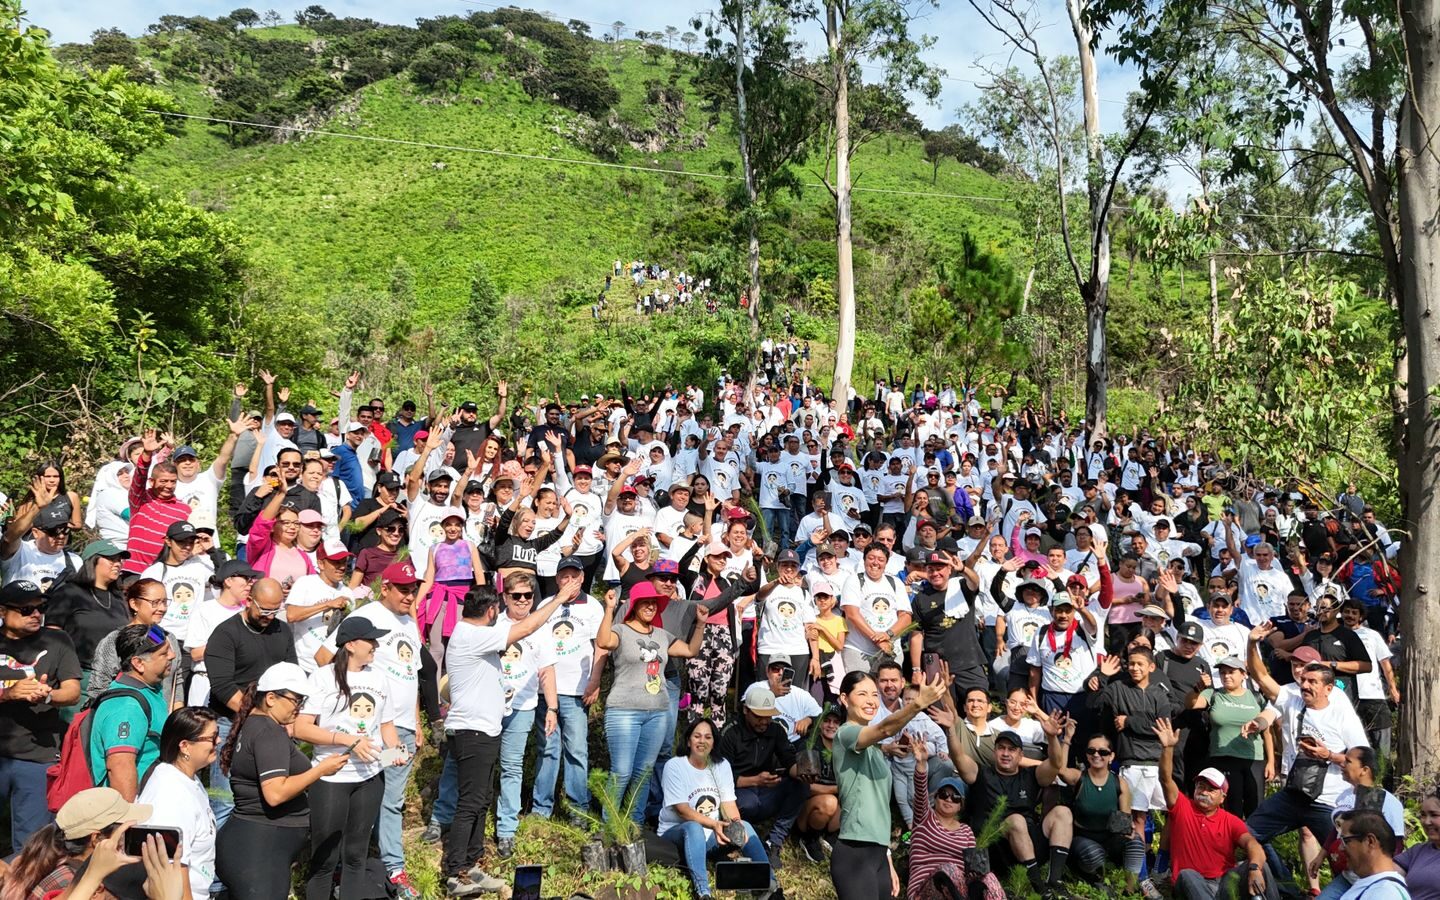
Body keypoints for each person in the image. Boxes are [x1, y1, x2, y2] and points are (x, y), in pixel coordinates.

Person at [441, 583, 566, 897]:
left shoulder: (472, 633)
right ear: (491, 611)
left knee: (482, 799)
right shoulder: (472, 634)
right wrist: (560, 599)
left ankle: (471, 865)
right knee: (470, 803)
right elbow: (528, 627)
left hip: (484, 730)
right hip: (472, 732)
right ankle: (454, 873)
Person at [317, 561, 425, 900]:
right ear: (385, 588)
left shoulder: (410, 622)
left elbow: (412, 673)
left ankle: (389, 869)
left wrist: (417, 721)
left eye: (413, 590)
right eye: (403, 590)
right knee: (357, 797)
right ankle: (353, 868)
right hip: (367, 730)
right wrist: (349, 706)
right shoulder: (366, 616)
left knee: (392, 799)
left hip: (399, 729)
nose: (409, 596)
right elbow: (324, 657)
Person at [292, 617, 406, 900]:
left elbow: (386, 726)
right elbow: (301, 728)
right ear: (351, 644)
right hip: (332, 777)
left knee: (356, 855)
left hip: (370, 777)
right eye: (371, 640)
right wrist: (346, 740)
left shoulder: (379, 677)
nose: (376, 645)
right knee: (325, 859)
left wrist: (396, 750)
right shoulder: (323, 677)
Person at [214, 662, 349, 900]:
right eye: (296, 700)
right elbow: (275, 794)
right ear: (271, 698)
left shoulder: (256, 724)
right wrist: (319, 770)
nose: (299, 708)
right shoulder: (268, 732)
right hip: (259, 849)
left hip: (256, 847)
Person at [1241, 663, 1369, 889]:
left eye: (1312, 682)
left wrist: (1328, 755)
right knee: (1246, 834)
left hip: (1327, 802)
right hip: (1293, 795)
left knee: (1346, 861)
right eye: (1303, 680)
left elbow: (1363, 760)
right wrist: (1252, 645)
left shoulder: (1340, 712)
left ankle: (1350, 892)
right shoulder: (1292, 700)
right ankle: (1285, 885)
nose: (1305, 685)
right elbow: (1261, 676)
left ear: (1328, 689)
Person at [828, 668, 946, 900]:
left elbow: (879, 805)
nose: (871, 700)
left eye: (874, 694)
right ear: (844, 699)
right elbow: (883, 729)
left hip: (878, 853)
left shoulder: (874, 749)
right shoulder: (846, 734)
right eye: (862, 694)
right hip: (855, 851)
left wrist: (887, 858)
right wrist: (917, 704)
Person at [595, 582, 706, 824]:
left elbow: (690, 650)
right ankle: (610, 826)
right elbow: (603, 641)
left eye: (654, 603)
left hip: (657, 712)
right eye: (645, 602)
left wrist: (700, 624)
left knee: (643, 773)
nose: (650, 606)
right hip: (624, 711)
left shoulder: (662, 635)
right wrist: (609, 608)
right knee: (621, 771)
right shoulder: (621, 631)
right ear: (634, 606)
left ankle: (635, 825)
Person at [945, 697, 1072, 897]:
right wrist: (951, 730)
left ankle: (1054, 880)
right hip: (997, 849)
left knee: (1063, 813)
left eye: (1011, 749)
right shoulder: (981, 773)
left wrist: (1051, 737)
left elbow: (1056, 764)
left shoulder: (1031, 775)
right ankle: (1038, 886)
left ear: (1020, 755)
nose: (1006, 753)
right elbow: (958, 757)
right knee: (1016, 820)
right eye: (1001, 748)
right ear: (994, 751)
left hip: (1030, 844)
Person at [204, 576, 298, 825]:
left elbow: (292, 676)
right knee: (226, 798)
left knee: (266, 791)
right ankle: (218, 844)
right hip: (230, 720)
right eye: (264, 610)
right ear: (248, 601)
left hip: (271, 721)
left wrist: (286, 718)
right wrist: (258, 716)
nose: (269, 616)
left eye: (275, 610)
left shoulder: (282, 630)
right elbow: (223, 687)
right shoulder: (226, 633)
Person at [1152, 718, 1277, 900]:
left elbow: (1253, 845)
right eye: (1201, 786)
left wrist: (1254, 868)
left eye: (1211, 789)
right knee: (1187, 874)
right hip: (1192, 884)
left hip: (1225, 883)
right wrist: (1168, 748)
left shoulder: (1230, 821)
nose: (1204, 792)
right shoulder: (1182, 806)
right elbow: (1165, 779)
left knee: (1261, 866)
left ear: (1222, 797)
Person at [0, 579, 81, 853]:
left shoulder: (58, 640)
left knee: (31, 847)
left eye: (40, 607)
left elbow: (72, 692)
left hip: (38, 756)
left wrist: (47, 695)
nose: (36, 614)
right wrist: (8, 694)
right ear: (2, 611)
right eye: (26, 609)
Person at [659, 718, 772, 900]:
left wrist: (735, 829)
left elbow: (729, 804)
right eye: (697, 736)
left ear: (714, 742)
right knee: (693, 827)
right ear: (688, 741)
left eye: (708, 737)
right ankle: (703, 893)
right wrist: (714, 824)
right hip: (676, 834)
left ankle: (770, 886)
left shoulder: (721, 765)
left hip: (710, 836)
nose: (702, 741)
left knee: (745, 826)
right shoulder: (674, 766)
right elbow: (682, 810)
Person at [530, 557, 605, 827]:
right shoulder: (545, 605)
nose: (569, 581)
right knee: (547, 749)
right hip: (546, 690)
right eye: (564, 576)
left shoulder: (593, 606)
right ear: (557, 579)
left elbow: (601, 646)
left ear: (583, 578)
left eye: (575, 576)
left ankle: (578, 809)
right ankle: (541, 808)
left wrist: (595, 680)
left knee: (576, 750)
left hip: (576, 690)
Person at [492, 575, 561, 859]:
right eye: (516, 595)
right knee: (474, 765)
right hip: (487, 707)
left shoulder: (541, 629)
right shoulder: (493, 623)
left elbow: (547, 670)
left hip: (522, 707)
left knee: (512, 767)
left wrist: (552, 708)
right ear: (505, 597)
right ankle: (449, 817)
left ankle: (506, 829)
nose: (522, 601)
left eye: (528, 596)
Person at [714, 687, 811, 862]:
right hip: (739, 793)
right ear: (746, 710)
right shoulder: (730, 733)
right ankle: (739, 836)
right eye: (759, 717)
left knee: (801, 786)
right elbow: (720, 778)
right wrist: (755, 781)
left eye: (768, 716)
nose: (764, 722)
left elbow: (789, 761)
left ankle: (775, 840)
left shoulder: (776, 730)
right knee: (750, 804)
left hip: (767, 789)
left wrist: (804, 773)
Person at [3, 787, 151, 900]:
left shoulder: (52, 860)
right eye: (124, 830)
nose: (128, 835)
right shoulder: (72, 884)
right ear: (97, 839)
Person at [906, 736, 1006, 900]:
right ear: (935, 797)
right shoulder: (924, 818)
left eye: (955, 797)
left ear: (961, 805)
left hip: (960, 891)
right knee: (949, 869)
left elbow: (973, 869)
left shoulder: (966, 831)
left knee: (989, 878)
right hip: (925, 890)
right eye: (944, 794)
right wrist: (922, 764)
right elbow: (920, 791)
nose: (948, 799)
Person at [1053, 729, 1152, 896]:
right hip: (1082, 838)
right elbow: (1061, 770)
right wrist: (1067, 739)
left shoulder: (1119, 783)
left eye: (1103, 752)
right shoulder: (1079, 777)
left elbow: (1124, 821)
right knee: (1094, 854)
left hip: (1109, 838)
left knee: (1136, 842)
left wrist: (1128, 830)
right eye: (1091, 751)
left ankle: (1129, 890)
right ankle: (1089, 876)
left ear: (1111, 756)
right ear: (1086, 755)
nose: (1096, 755)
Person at [136, 707, 221, 900]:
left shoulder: (188, 779)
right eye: (212, 737)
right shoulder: (171, 794)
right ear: (185, 746)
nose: (219, 741)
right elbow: (173, 868)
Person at [88, 624, 176, 800]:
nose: (172, 655)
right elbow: (120, 765)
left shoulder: (151, 690)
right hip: (134, 807)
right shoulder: (127, 707)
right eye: (163, 653)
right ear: (138, 663)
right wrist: (129, 815)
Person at [45, 540, 129, 702]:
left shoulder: (118, 599)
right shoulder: (69, 592)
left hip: (113, 680)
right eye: (111, 559)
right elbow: (52, 636)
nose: (118, 564)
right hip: (77, 677)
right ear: (93, 561)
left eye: (119, 559)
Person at [86, 578, 183, 710]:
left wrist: (176, 715)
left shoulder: (169, 638)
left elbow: (176, 681)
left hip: (163, 718)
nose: (162, 608)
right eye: (155, 602)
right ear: (134, 604)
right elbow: (99, 688)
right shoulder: (115, 639)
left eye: (164, 602)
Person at [123, 431, 194, 576]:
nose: (169, 486)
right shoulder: (140, 499)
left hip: (164, 574)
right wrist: (147, 454)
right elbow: (139, 476)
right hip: (134, 572)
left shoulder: (184, 510)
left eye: (173, 481)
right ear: (152, 482)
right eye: (163, 481)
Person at [1333, 810, 1410, 900]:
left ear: (1370, 841)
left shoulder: (1385, 893)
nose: (1340, 848)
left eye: (1345, 841)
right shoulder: (1377, 887)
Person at [1397, 791, 1440, 899]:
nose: (1426, 822)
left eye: (1434, 815)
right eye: (1423, 815)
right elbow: (1387, 874)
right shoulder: (1417, 851)